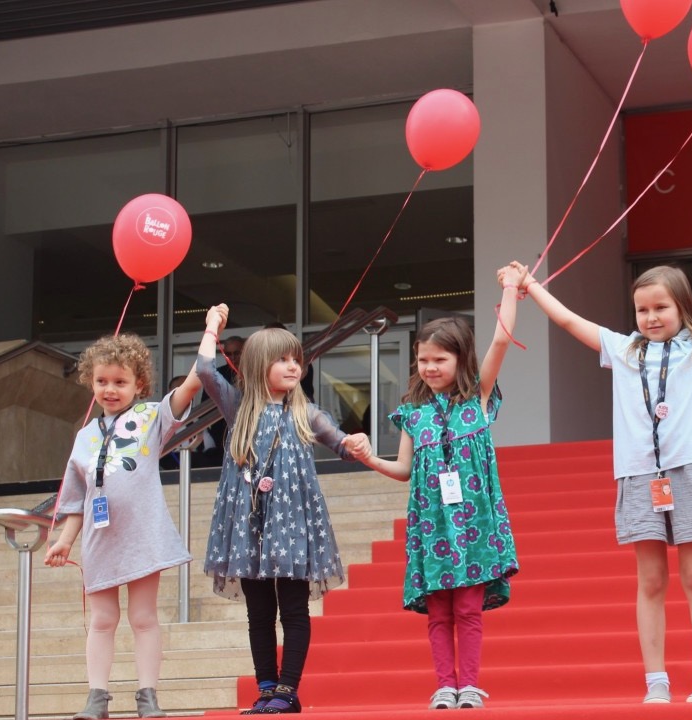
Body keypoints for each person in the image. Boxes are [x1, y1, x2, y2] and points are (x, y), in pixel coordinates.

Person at [509, 208, 692, 704]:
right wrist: (530, 288)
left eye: (661, 307)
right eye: (642, 310)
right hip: (641, 476)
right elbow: (569, 321)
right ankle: (656, 682)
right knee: (652, 580)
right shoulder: (623, 350)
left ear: (681, 307)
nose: (651, 317)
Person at [348, 267, 524, 710]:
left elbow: (501, 341)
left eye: (439, 360)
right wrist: (369, 458)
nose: (429, 367)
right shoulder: (412, 412)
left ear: (461, 360)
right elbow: (404, 468)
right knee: (439, 612)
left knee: (468, 609)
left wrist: (509, 288)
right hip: (432, 527)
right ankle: (445, 684)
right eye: (423, 360)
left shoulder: (478, 397)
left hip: (475, 528)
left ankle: (470, 687)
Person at [195, 304, 369, 714]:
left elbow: (341, 444)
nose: (294, 367)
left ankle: (288, 689)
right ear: (257, 366)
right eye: (283, 359)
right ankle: (266, 686)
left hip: (292, 525)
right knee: (259, 612)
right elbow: (205, 370)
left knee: (293, 607)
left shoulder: (305, 412)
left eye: (297, 359)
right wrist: (211, 327)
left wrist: (356, 443)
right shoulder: (238, 407)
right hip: (249, 525)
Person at [45, 333, 200, 719]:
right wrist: (64, 541)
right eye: (102, 381)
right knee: (102, 620)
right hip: (100, 541)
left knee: (143, 618)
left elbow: (194, 383)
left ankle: (148, 697)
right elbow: (78, 498)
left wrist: (211, 331)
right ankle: (96, 698)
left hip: (142, 536)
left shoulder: (150, 418)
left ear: (139, 385)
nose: (110, 390)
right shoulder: (84, 437)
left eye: (120, 382)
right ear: (90, 382)